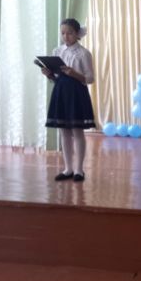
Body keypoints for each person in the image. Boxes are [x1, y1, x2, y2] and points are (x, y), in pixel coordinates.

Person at [41, 18, 95, 182]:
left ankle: (79, 170)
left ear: (77, 34)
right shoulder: (57, 51)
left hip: (76, 93)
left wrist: (74, 74)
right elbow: (56, 77)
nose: (66, 36)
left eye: (70, 33)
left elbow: (90, 78)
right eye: (63, 33)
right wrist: (49, 74)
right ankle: (68, 169)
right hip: (61, 92)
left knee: (77, 131)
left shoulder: (84, 53)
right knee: (63, 131)